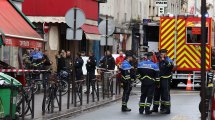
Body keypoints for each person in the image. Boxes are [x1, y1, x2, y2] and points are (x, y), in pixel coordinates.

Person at [152, 49, 173, 114]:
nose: (160, 56)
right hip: (158, 79)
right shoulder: (158, 62)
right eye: (160, 54)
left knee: (165, 94)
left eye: (162, 54)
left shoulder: (168, 60)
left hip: (165, 79)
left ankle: (166, 109)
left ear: (165, 54)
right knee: (156, 94)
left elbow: (171, 66)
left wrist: (164, 60)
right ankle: (155, 108)